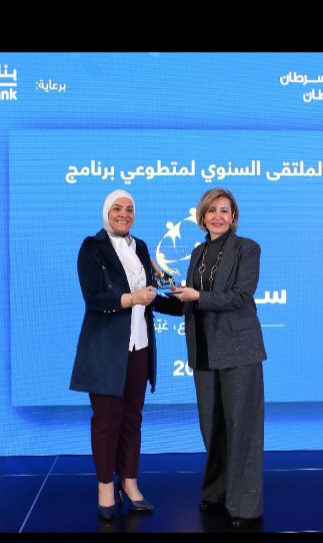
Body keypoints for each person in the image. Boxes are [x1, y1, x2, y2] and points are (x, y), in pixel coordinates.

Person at [69, 189, 181, 522]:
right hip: (106, 349)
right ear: (106, 213)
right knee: (106, 421)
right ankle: (106, 487)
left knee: (132, 417)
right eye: (117, 208)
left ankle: (129, 483)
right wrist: (132, 298)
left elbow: (155, 293)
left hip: (139, 346)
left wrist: (175, 290)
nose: (124, 214)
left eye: (129, 209)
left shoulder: (141, 248)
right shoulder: (92, 247)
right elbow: (94, 299)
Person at [167, 187, 267, 529]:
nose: (218, 216)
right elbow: (190, 301)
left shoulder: (247, 248)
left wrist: (197, 296)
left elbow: (240, 297)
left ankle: (244, 505)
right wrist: (156, 298)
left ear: (234, 216)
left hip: (239, 349)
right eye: (212, 210)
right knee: (212, 427)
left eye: (224, 210)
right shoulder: (198, 252)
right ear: (202, 216)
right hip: (204, 350)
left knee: (241, 428)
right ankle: (217, 492)